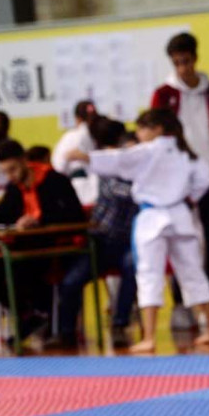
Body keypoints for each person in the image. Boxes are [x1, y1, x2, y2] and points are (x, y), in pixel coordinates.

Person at [66, 108, 209, 354]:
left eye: (141, 128)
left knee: (149, 274)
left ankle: (149, 337)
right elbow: (206, 179)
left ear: (157, 128)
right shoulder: (187, 154)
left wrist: (85, 157)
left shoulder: (148, 151)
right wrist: (189, 199)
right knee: (193, 272)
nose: (138, 133)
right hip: (180, 215)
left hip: (152, 217)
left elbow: (118, 160)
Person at [151, 32, 209, 329]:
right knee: (181, 241)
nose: (183, 68)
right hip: (178, 180)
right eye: (177, 63)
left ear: (195, 59)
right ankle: (181, 304)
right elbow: (156, 134)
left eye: (186, 61)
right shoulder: (164, 94)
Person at [0, 139, 85, 343]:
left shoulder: (54, 180)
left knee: (16, 268)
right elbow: (3, 212)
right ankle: (29, 315)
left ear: (24, 160)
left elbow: (75, 215)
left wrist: (38, 221)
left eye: (13, 169)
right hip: (28, 246)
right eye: (5, 172)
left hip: (59, 245)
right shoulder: (15, 187)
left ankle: (38, 313)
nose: (10, 176)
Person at [54, 117, 138, 350]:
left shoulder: (141, 172)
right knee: (71, 280)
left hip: (129, 241)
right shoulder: (107, 169)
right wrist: (145, 188)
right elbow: (117, 191)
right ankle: (66, 332)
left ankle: (120, 323)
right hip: (99, 240)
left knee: (133, 268)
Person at [51, 100, 99, 205]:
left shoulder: (70, 137)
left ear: (77, 119)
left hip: (77, 185)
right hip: (96, 186)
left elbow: (58, 166)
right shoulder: (102, 134)